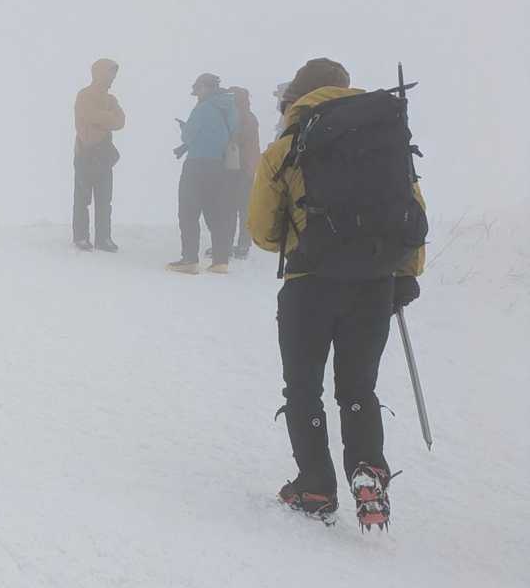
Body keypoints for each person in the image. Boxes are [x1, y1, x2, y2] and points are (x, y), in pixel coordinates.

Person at [248, 57, 428, 529]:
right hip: (375, 283)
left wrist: (297, 231)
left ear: (298, 94)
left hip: (309, 284)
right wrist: (405, 274)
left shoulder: (289, 143)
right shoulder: (385, 136)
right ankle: (368, 470)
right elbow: (411, 211)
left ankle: (314, 486)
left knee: (304, 386)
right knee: (357, 386)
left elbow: (262, 231)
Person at [167, 73, 238, 274]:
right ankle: (220, 261)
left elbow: (189, 136)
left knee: (188, 212)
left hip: (197, 164)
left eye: (198, 89)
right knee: (216, 213)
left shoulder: (203, 108)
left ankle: (189, 260)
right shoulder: (230, 107)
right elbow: (231, 131)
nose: (196, 94)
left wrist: (184, 128)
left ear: (206, 87)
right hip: (220, 165)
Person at [72, 59, 125, 252]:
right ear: (100, 73)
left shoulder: (111, 99)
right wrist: (107, 118)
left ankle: (103, 239)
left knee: (104, 199)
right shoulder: (84, 95)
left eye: (114, 75)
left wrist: (101, 119)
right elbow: (90, 116)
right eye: (111, 74)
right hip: (85, 153)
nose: (113, 78)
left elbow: (121, 121)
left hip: (103, 154)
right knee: (82, 198)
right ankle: (81, 237)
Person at [228, 87, 261, 259]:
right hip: (245, 168)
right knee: (240, 208)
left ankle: (242, 245)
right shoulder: (248, 116)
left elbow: (239, 139)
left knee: (239, 208)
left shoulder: (244, 118)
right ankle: (240, 245)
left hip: (243, 169)